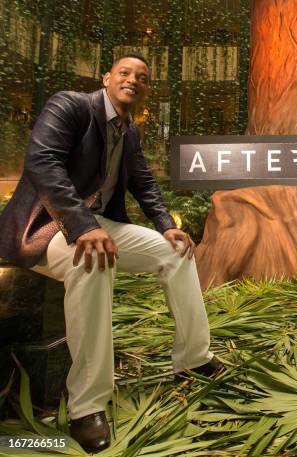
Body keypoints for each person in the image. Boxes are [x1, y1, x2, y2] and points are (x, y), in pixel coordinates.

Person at [0, 53, 224, 453]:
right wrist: (83, 226)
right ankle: (87, 405)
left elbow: (144, 183)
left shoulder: (129, 130)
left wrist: (168, 226)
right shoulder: (70, 105)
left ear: (146, 89)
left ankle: (193, 359)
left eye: (142, 77)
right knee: (94, 261)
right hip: (46, 224)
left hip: (96, 224)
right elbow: (42, 163)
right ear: (106, 78)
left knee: (176, 253)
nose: (132, 80)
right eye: (124, 72)